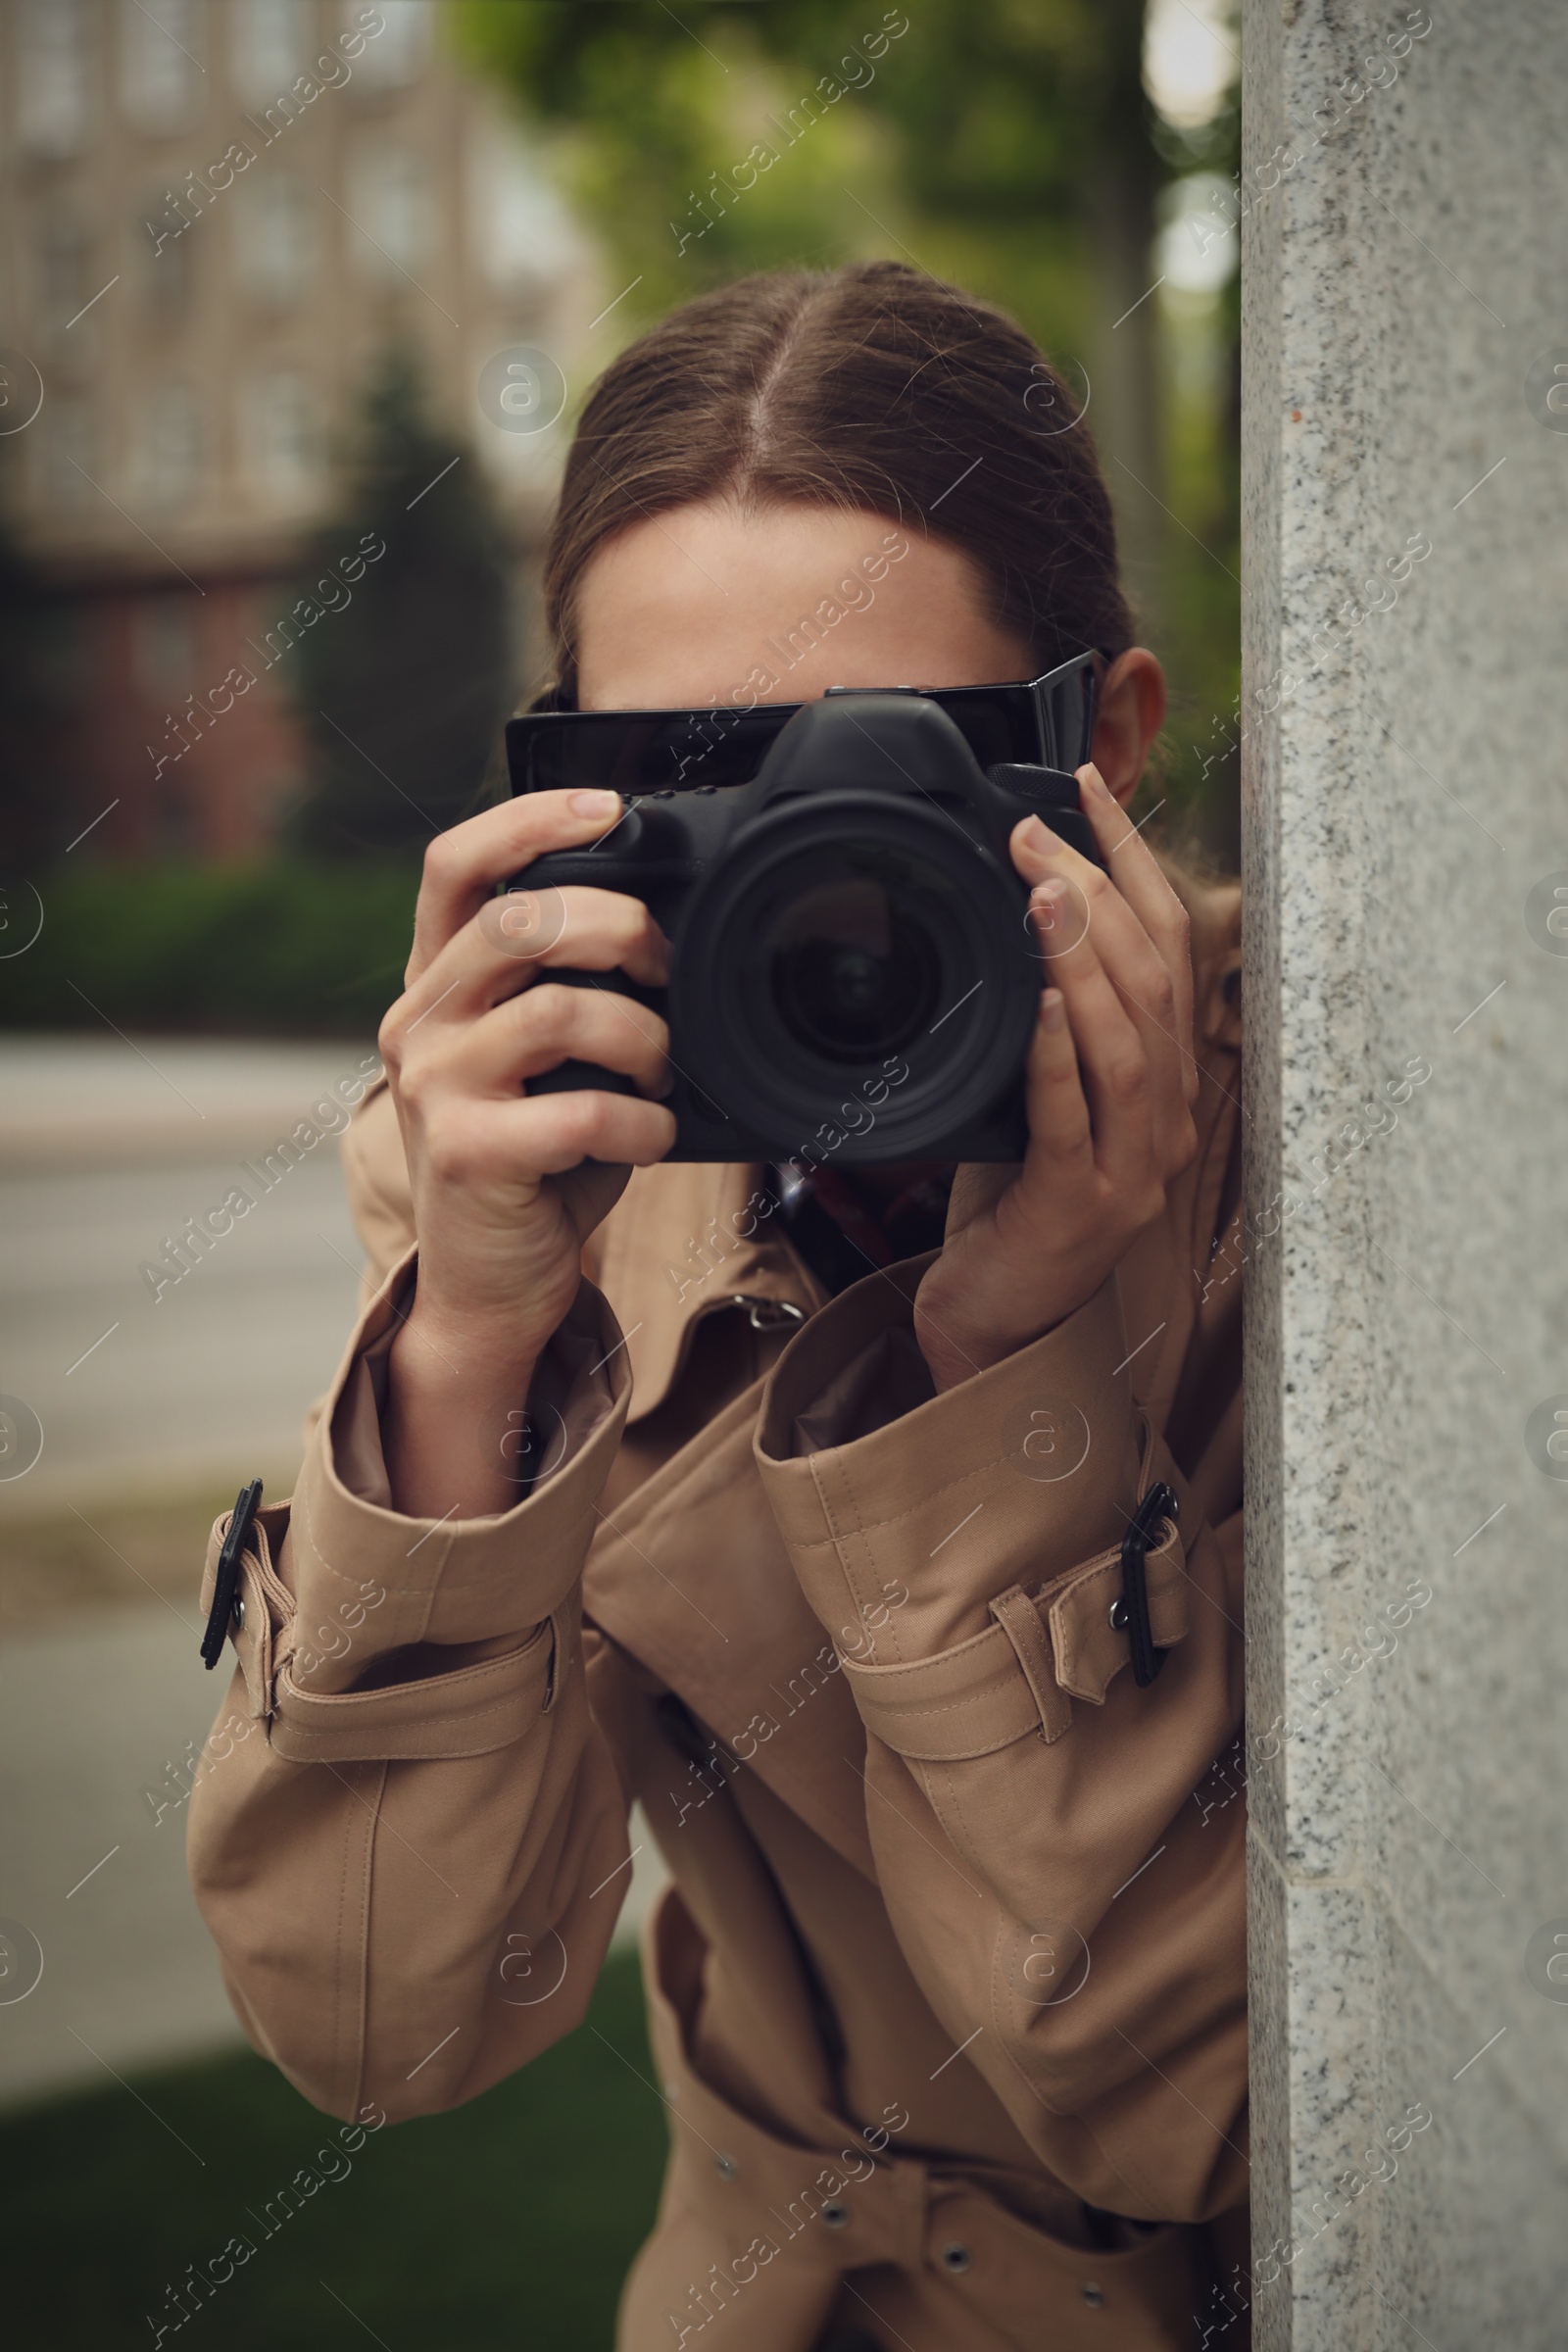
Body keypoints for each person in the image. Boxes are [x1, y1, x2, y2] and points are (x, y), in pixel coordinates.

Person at [189, 263, 1247, 2352]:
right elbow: (390, 2026)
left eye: (900, 765)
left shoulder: (1328, 1164)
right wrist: (468, 1347)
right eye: (696, 770)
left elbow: (1195, 2110)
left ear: (1101, 744)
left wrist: (1008, 1360)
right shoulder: (540, 1189)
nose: (813, 886)